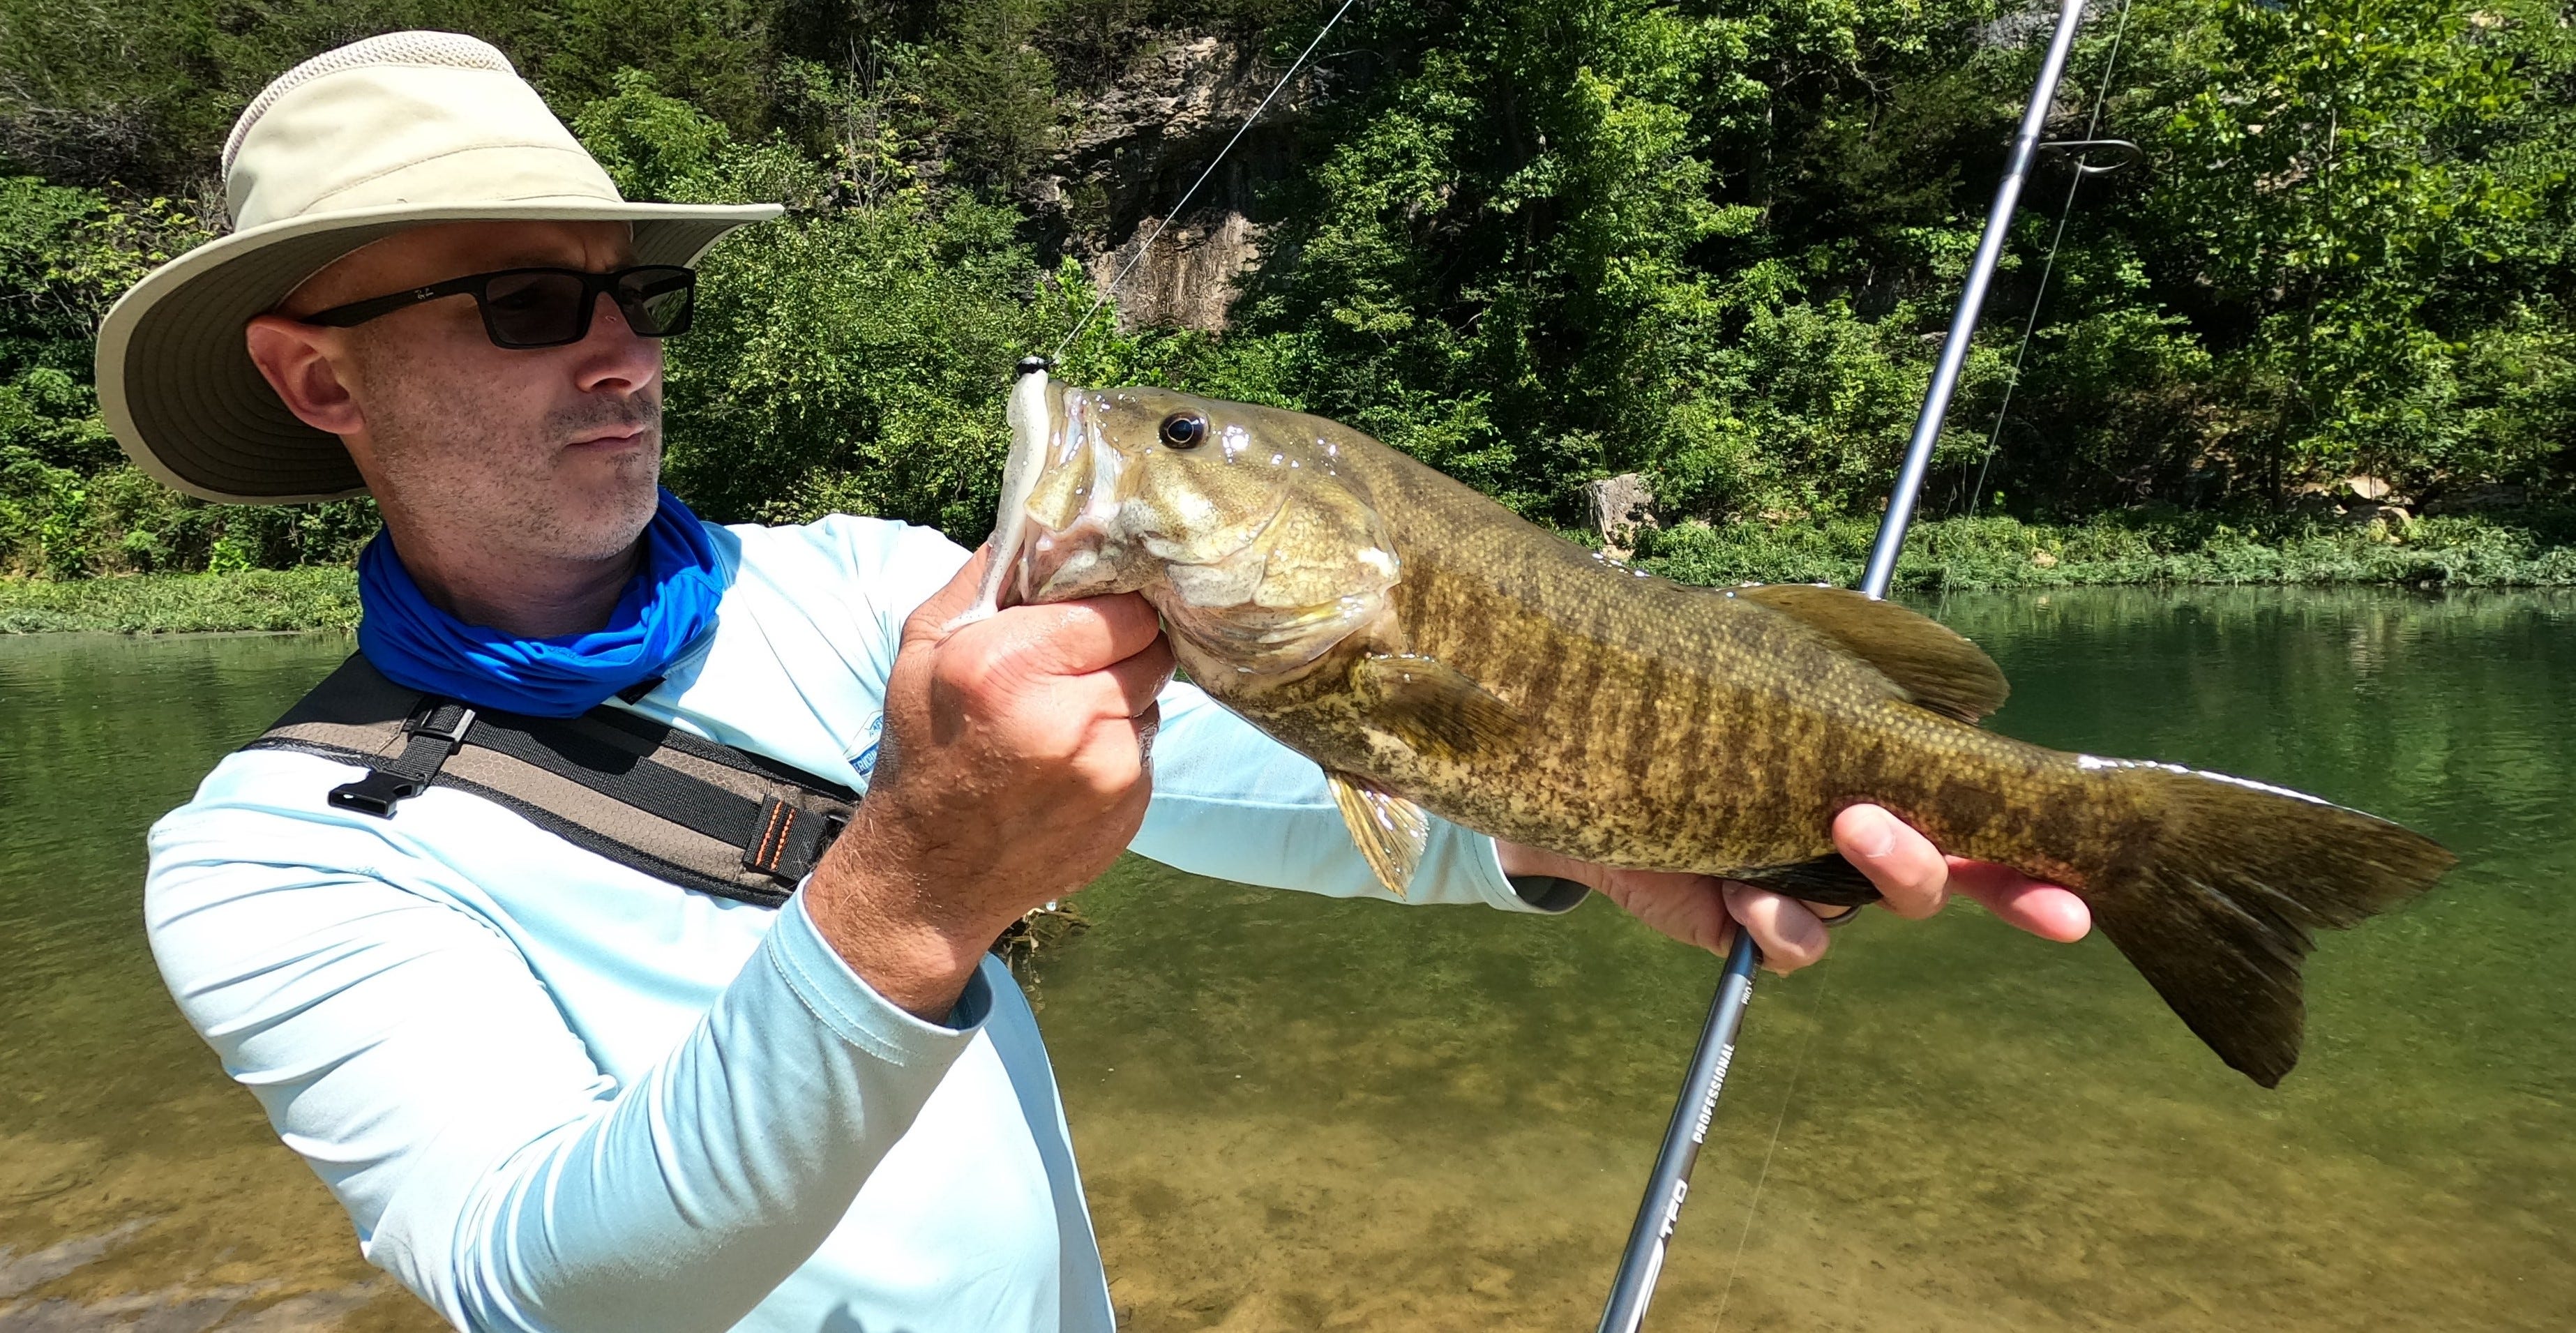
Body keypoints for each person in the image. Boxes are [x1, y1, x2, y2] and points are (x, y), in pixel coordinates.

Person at [101, 32, 2091, 1333]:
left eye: (642, 294)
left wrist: (1581, 846)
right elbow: (537, 1280)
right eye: (532, 305)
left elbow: (1280, 779)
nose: (619, 352)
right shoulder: (277, 857)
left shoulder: (881, 592)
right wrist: (906, 897)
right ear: (317, 376)